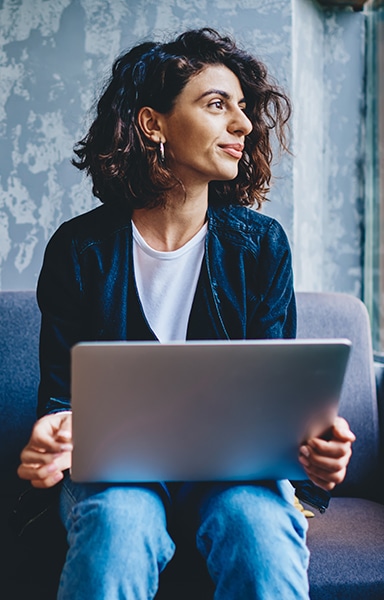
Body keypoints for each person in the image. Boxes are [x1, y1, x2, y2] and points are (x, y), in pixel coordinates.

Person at [18, 28, 355, 599]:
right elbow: (62, 397)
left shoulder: (262, 245)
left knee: (260, 529)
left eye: (243, 109)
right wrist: (54, 436)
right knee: (119, 525)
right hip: (117, 473)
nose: (244, 125)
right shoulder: (80, 249)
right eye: (217, 104)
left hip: (235, 473)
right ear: (153, 124)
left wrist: (311, 444)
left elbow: (277, 397)